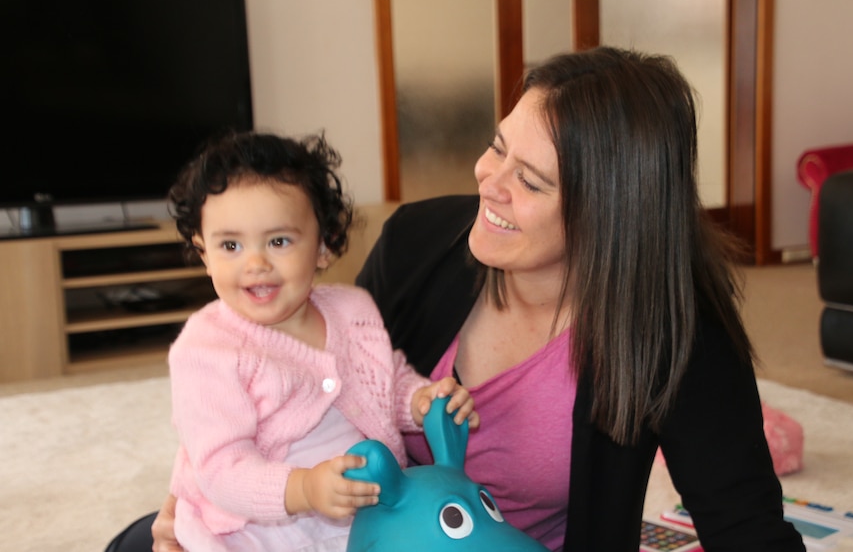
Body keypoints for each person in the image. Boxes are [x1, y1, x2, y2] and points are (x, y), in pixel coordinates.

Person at [106, 47, 804, 551]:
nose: (488, 181)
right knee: (143, 543)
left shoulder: (673, 332)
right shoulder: (420, 243)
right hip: (349, 533)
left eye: (529, 181)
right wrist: (187, 495)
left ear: (611, 214)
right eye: (496, 147)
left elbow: (748, 529)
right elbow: (269, 361)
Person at [141, 131, 478, 552]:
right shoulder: (206, 350)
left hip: (364, 516)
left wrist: (421, 400)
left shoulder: (352, 310)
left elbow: (386, 381)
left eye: (278, 241)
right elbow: (221, 469)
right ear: (203, 253)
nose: (255, 263)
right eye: (230, 245)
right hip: (255, 531)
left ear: (323, 246)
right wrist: (303, 489)